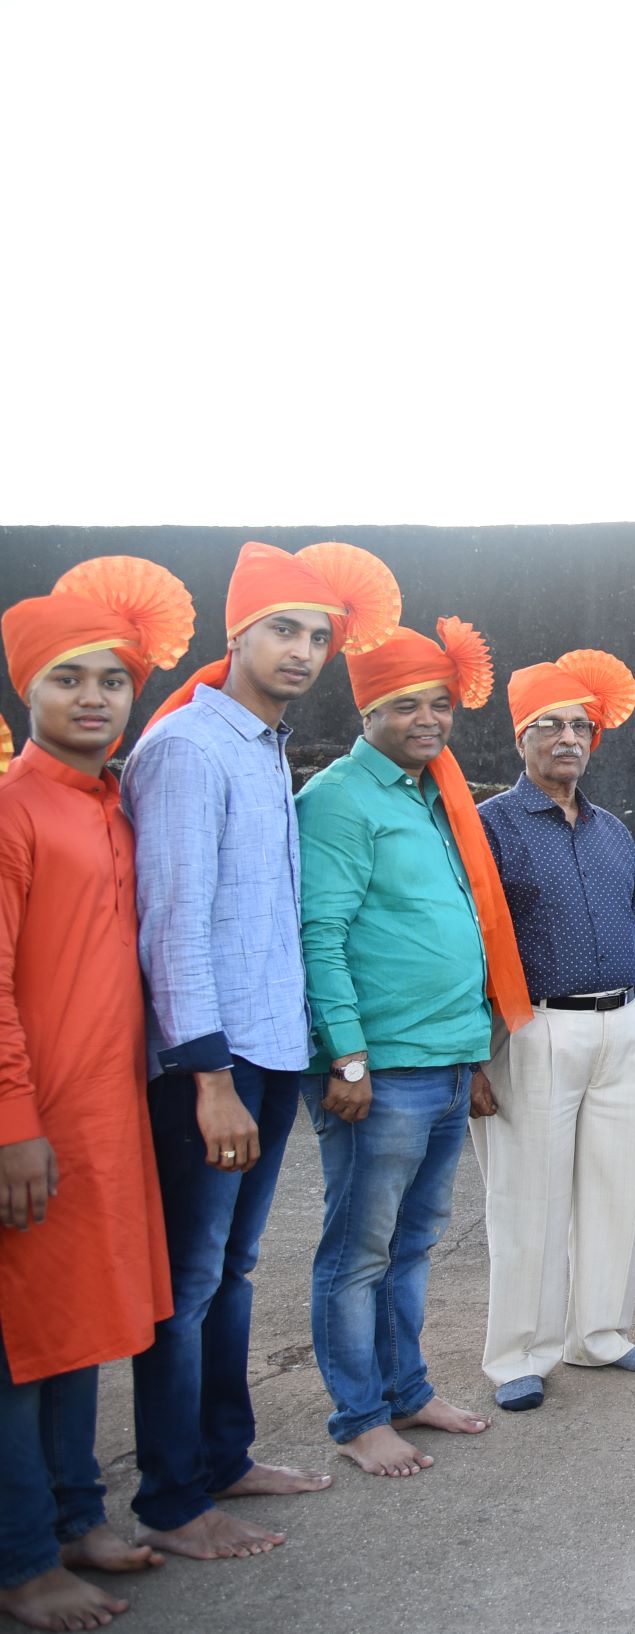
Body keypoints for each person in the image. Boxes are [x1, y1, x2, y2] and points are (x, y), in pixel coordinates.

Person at [123, 540, 400, 1557]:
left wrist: (311, 1050)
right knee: (189, 1280)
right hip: (217, 1059)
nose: (303, 649)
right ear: (234, 632)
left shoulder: (263, 744)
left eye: (318, 634)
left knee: (234, 1269)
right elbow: (172, 921)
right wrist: (206, 1073)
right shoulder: (189, 747)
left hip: (274, 1046)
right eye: (283, 628)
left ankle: (223, 1453)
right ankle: (170, 1497)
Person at [0, 560, 188, 1630]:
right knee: (20, 1347)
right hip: (33, 1128)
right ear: (26, 690)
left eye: (112, 681)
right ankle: (23, 1560)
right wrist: (13, 1125)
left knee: (78, 1329)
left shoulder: (110, 805)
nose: (92, 698)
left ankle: (75, 1515)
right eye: (68, 678)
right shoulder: (15, 810)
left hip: (105, 1118)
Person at [301, 616, 530, 1477]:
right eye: (406, 705)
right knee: (358, 1252)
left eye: (439, 703)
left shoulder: (437, 796)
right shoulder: (337, 799)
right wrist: (347, 1057)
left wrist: (472, 1057)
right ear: (367, 712)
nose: (428, 718)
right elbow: (319, 934)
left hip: (443, 1061)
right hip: (379, 1070)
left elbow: (458, 928)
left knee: (412, 1244)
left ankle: (407, 1389)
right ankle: (359, 1416)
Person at [473, 648, 635, 1412]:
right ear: (520, 739)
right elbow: (474, 943)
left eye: (580, 726)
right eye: (549, 726)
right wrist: (472, 1058)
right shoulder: (493, 827)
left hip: (618, 1024)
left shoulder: (611, 832)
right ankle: (519, 1354)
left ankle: (602, 1336)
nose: (567, 739)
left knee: (612, 1188)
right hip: (533, 1031)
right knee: (528, 1197)